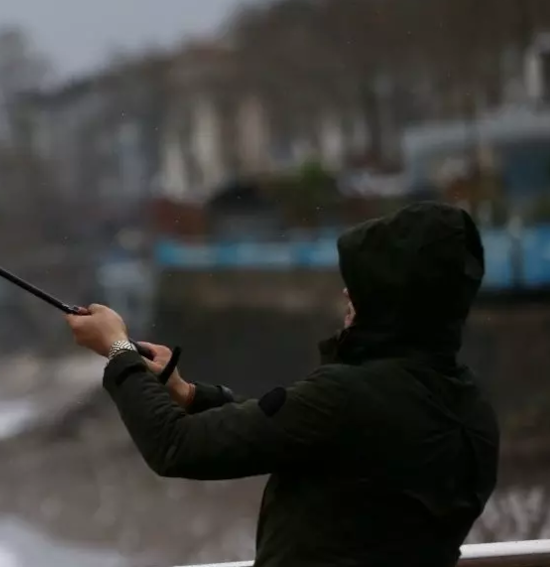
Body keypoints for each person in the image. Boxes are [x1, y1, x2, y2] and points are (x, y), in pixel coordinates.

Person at [65, 201, 500, 567]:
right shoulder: (471, 411)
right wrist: (190, 395)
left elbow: (176, 445)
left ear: (395, 300)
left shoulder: (346, 398)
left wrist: (118, 350)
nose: (347, 295)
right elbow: (300, 430)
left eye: (363, 287)